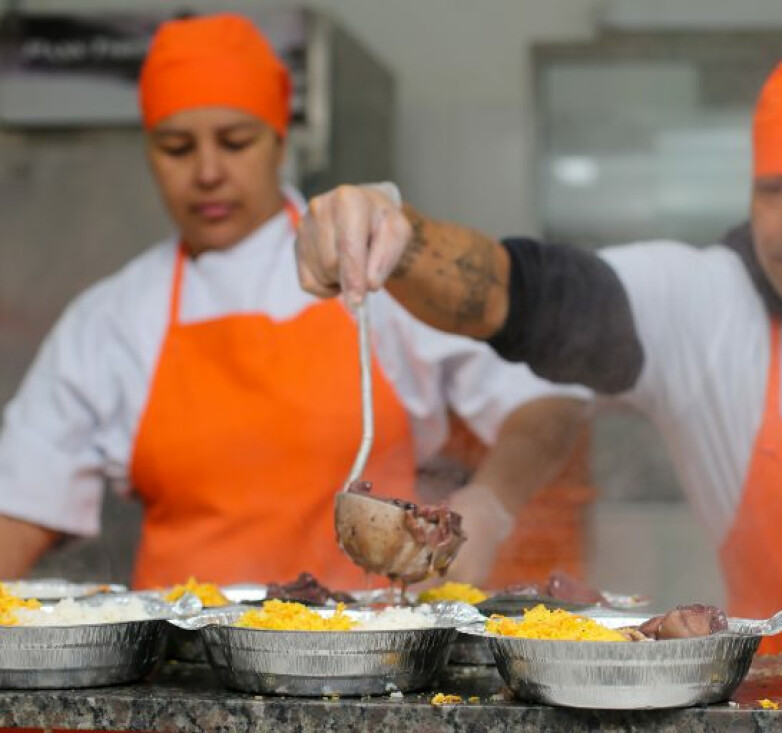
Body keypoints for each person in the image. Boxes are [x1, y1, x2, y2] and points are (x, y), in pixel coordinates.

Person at [296, 48, 782, 651]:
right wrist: (395, 233)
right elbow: (520, 291)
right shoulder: (703, 304)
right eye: (775, 188)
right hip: (773, 694)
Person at [0, 13, 592, 591]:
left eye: (236, 142)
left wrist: (489, 506)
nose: (208, 172)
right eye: (177, 147)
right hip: (177, 651)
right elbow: (21, 503)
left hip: (369, 641)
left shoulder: (372, 264)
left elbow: (550, 402)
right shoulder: (111, 318)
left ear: (280, 141)